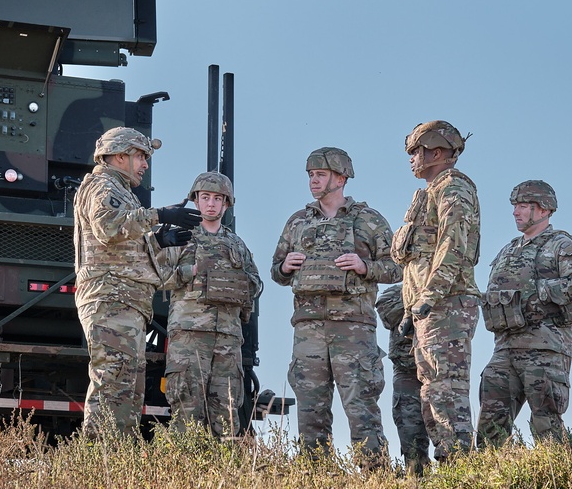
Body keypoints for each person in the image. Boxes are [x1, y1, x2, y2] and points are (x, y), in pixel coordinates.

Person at [271, 147, 399, 465]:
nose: (313, 181)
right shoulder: (298, 221)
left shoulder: (368, 220)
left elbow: (398, 267)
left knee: (361, 408)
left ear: (341, 178)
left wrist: (364, 265)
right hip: (308, 329)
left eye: (321, 174)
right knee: (310, 411)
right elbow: (276, 271)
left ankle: (375, 478)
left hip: (353, 327)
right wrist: (286, 266)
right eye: (311, 175)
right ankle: (315, 476)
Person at [73, 126, 201, 439]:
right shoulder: (104, 185)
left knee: (126, 389)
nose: (145, 164)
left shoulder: (120, 190)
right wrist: (159, 214)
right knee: (114, 383)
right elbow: (108, 227)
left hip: (125, 301)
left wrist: (157, 240)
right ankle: (96, 461)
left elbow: (120, 245)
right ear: (119, 156)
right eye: (140, 156)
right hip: (111, 299)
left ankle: (114, 461)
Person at [476, 180, 572, 447]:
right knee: (490, 423)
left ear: (543, 210)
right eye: (515, 206)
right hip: (505, 347)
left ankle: (559, 476)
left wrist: (537, 293)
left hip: (545, 346)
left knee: (546, 422)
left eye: (523, 206)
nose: (516, 212)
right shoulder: (508, 250)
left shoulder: (560, 245)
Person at [391, 120, 480, 462]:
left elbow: (453, 244)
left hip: (446, 304)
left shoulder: (452, 187)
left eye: (417, 151)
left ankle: (460, 472)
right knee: (432, 390)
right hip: (427, 308)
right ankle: (450, 468)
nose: (412, 158)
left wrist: (428, 296)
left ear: (437, 152)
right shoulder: (428, 193)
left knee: (446, 391)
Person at [161, 171, 263, 438]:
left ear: (226, 203)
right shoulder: (181, 237)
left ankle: (224, 475)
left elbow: (256, 284)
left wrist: (238, 282)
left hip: (228, 338)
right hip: (189, 336)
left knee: (228, 411)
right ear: (196, 201)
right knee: (186, 409)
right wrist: (189, 272)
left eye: (218, 199)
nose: (211, 204)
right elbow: (158, 276)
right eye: (205, 197)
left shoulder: (237, 245)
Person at [375, 284, 430, 475]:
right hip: (406, 369)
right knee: (410, 433)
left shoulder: (446, 283)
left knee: (447, 429)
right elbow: (385, 310)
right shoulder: (403, 288)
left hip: (438, 369)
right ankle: (417, 478)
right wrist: (419, 299)